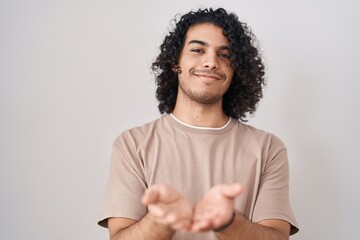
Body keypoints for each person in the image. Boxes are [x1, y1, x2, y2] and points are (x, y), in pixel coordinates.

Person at [98, 7, 299, 240]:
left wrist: (229, 222)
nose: (211, 62)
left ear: (236, 70)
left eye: (224, 55)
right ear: (176, 63)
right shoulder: (132, 144)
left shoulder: (268, 148)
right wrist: (161, 220)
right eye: (197, 50)